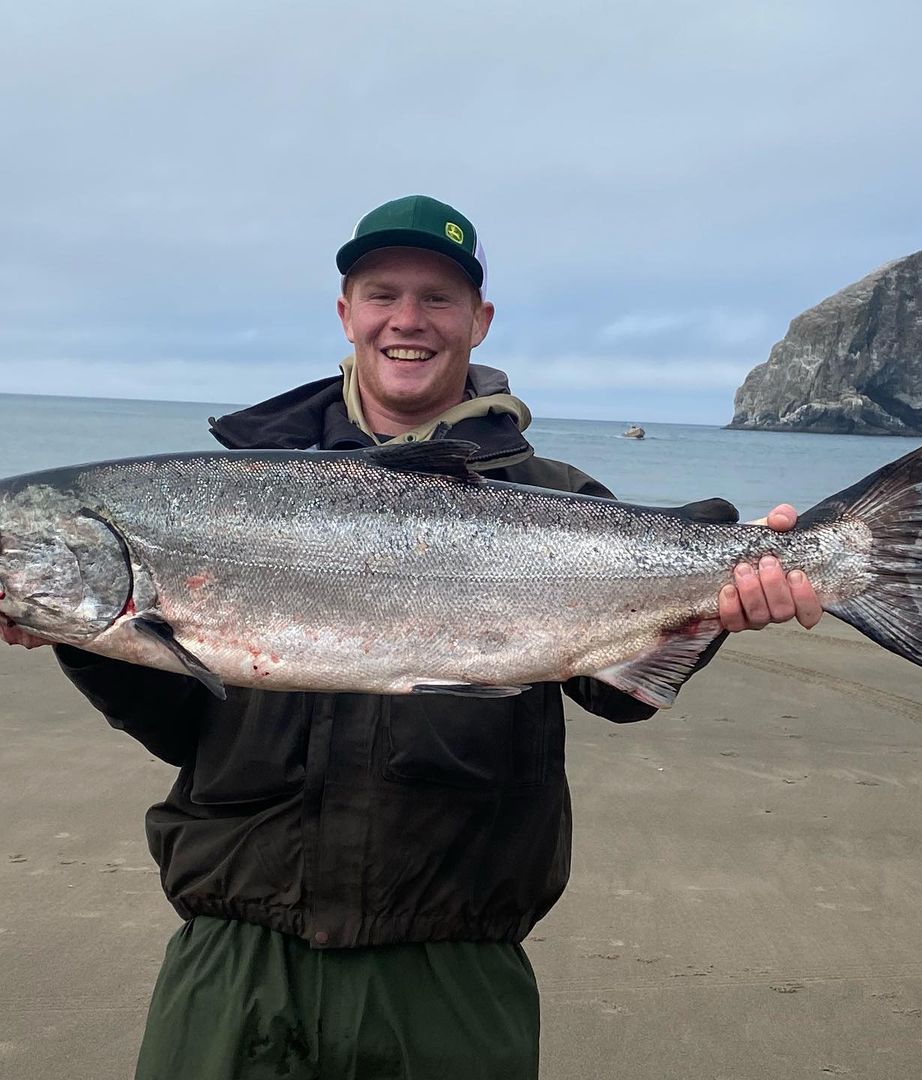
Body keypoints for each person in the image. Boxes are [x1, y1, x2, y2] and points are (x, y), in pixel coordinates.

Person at [1, 195, 822, 1079]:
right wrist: (80, 636)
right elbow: (185, 729)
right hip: (234, 952)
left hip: (451, 967)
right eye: (382, 292)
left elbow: (616, 694)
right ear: (346, 313)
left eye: (437, 298)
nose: (408, 319)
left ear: (479, 320)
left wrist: (723, 600)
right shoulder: (228, 481)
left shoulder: (563, 500)